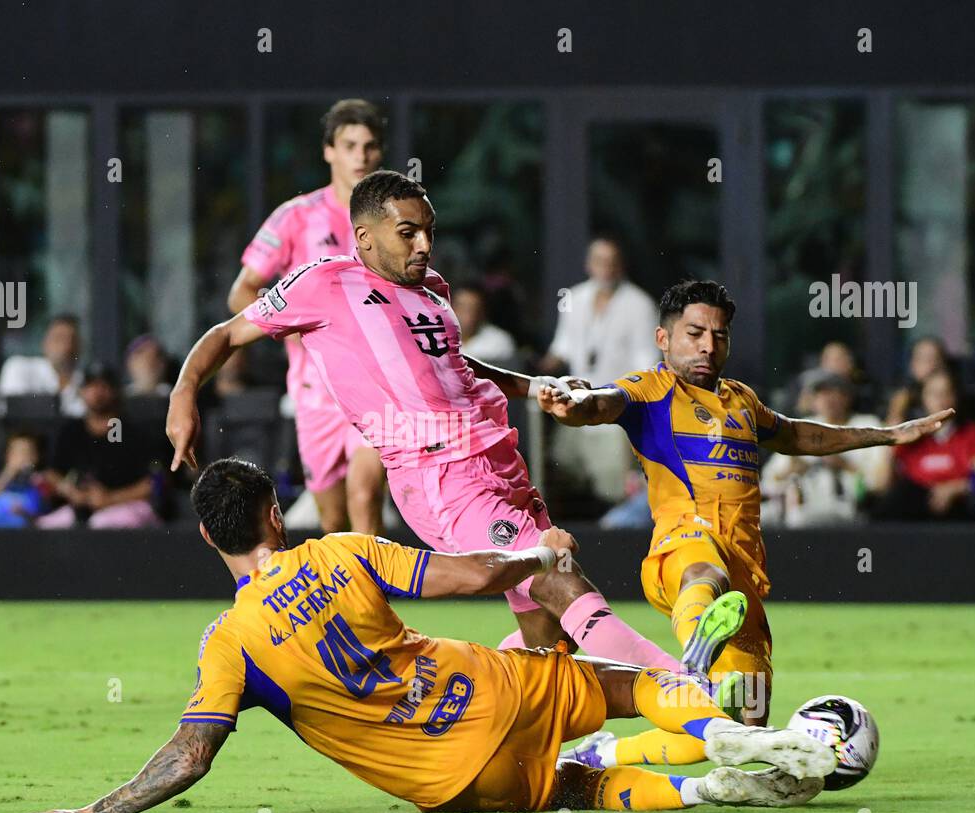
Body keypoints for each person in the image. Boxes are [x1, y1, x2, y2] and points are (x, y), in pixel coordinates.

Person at [9, 458, 831, 813]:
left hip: (453, 786)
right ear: (273, 516)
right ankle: (727, 734)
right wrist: (535, 554)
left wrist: (96, 809)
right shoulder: (343, 550)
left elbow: (189, 758)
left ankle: (696, 795)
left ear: (203, 538)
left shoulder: (227, 645)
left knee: (572, 790)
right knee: (617, 686)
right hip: (494, 690)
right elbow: (475, 577)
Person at [166, 171, 741, 682]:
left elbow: (459, 368)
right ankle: (688, 686)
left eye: (428, 231)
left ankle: (551, 739)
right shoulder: (323, 282)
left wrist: (533, 386)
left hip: (496, 461)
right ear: (364, 238)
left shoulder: (434, 290)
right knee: (560, 576)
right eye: (408, 232)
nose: (424, 245)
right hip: (438, 475)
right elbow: (225, 333)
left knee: (550, 640)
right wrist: (185, 392)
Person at [534, 279, 950, 771]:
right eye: (695, 333)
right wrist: (576, 403)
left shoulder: (743, 401)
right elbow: (602, 402)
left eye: (720, 334)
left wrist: (883, 435)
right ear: (663, 339)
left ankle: (603, 752)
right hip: (682, 549)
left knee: (738, 732)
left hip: (744, 574)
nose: (709, 345)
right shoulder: (649, 390)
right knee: (705, 572)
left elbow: (799, 435)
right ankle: (695, 656)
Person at [225, 99, 388, 535]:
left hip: (377, 386)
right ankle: (353, 601)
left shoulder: (393, 219)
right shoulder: (296, 217)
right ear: (328, 151)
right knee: (333, 521)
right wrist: (288, 322)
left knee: (365, 495)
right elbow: (241, 292)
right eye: (349, 145)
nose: (360, 156)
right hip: (315, 392)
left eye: (369, 146)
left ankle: (374, 606)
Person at [539, 237, 661, 503]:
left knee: (613, 492)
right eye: (599, 261)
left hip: (613, 413)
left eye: (612, 262)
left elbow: (648, 366)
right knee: (562, 476)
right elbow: (562, 348)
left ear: (621, 266)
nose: (605, 268)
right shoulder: (575, 297)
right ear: (588, 265)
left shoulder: (640, 305)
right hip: (574, 408)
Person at [38, 363, 164, 529]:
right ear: (81, 391)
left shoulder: (134, 431)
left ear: (115, 391)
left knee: (103, 523)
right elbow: (50, 473)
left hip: (126, 507)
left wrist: (110, 498)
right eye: (90, 386)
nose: (97, 392)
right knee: (46, 525)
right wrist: (71, 492)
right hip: (81, 508)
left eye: (103, 385)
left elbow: (155, 481)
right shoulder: (71, 430)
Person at [760, 371, 891, 527]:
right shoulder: (802, 426)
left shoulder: (868, 425)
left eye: (833, 392)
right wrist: (793, 469)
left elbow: (881, 484)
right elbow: (768, 481)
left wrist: (845, 465)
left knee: (799, 519)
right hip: (798, 502)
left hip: (846, 505)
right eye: (821, 393)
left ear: (847, 396)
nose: (827, 399)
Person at [873, 369, 975, 522]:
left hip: (960, 505)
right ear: (923, 399)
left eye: (946, 393)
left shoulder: (973, 434)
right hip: (915, 505)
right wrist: (894, 424)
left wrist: (956, 488)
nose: (940, 400)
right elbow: (880, 485)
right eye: (933, 394)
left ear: (956, 397)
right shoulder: (910, 435)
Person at [0, 313, 85, 416]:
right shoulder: (19, 368)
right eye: (59, 338)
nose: (67, 346)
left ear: (80, 346)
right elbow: (14, 413)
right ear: (45, 343)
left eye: (73, 340)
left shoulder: (85, 380)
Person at [885, 336, 952, 426]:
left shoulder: (952, 396)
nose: (929, 364)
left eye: (933, 358)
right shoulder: (902, 398)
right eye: (921, 358)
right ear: (912, 364)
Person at [453, 282, 516, 365]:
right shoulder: (434, 338)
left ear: (483, 312)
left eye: (474, 309)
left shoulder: (500, 342)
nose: (468, 316)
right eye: (462, 307)